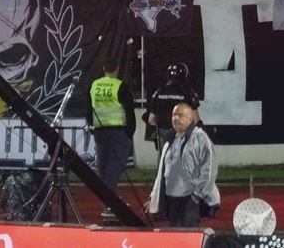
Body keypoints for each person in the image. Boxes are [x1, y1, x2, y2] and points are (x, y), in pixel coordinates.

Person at [148, 102, 220, 227]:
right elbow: (161, 174)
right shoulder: (170, 140)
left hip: (190, 199)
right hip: (171, 200)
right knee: (175, 235)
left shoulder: (200, 138)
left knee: (188, 234)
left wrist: (197, 195)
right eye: (173, 115)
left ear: (190, 119)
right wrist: (153, 197)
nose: (176, 118)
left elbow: (209, 170)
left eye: (180, 115)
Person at [87, 59, 136, 192]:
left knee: (102, 163)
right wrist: (130, 132)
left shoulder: (94, 85)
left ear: (104, 68)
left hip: (99, 130)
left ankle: (105, 193)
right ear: (117, 68)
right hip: (118, 131)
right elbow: (129, 111)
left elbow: (88, 109)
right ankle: (110, 195)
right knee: (116, 164)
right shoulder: (121, 86)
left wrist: (91, 126)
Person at [146, 62, 201, 152]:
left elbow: (151, 120)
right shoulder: (188, 93)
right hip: (182, 132)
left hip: (163, 132)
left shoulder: (158, 92)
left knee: (164, 157)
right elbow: (195, 120)